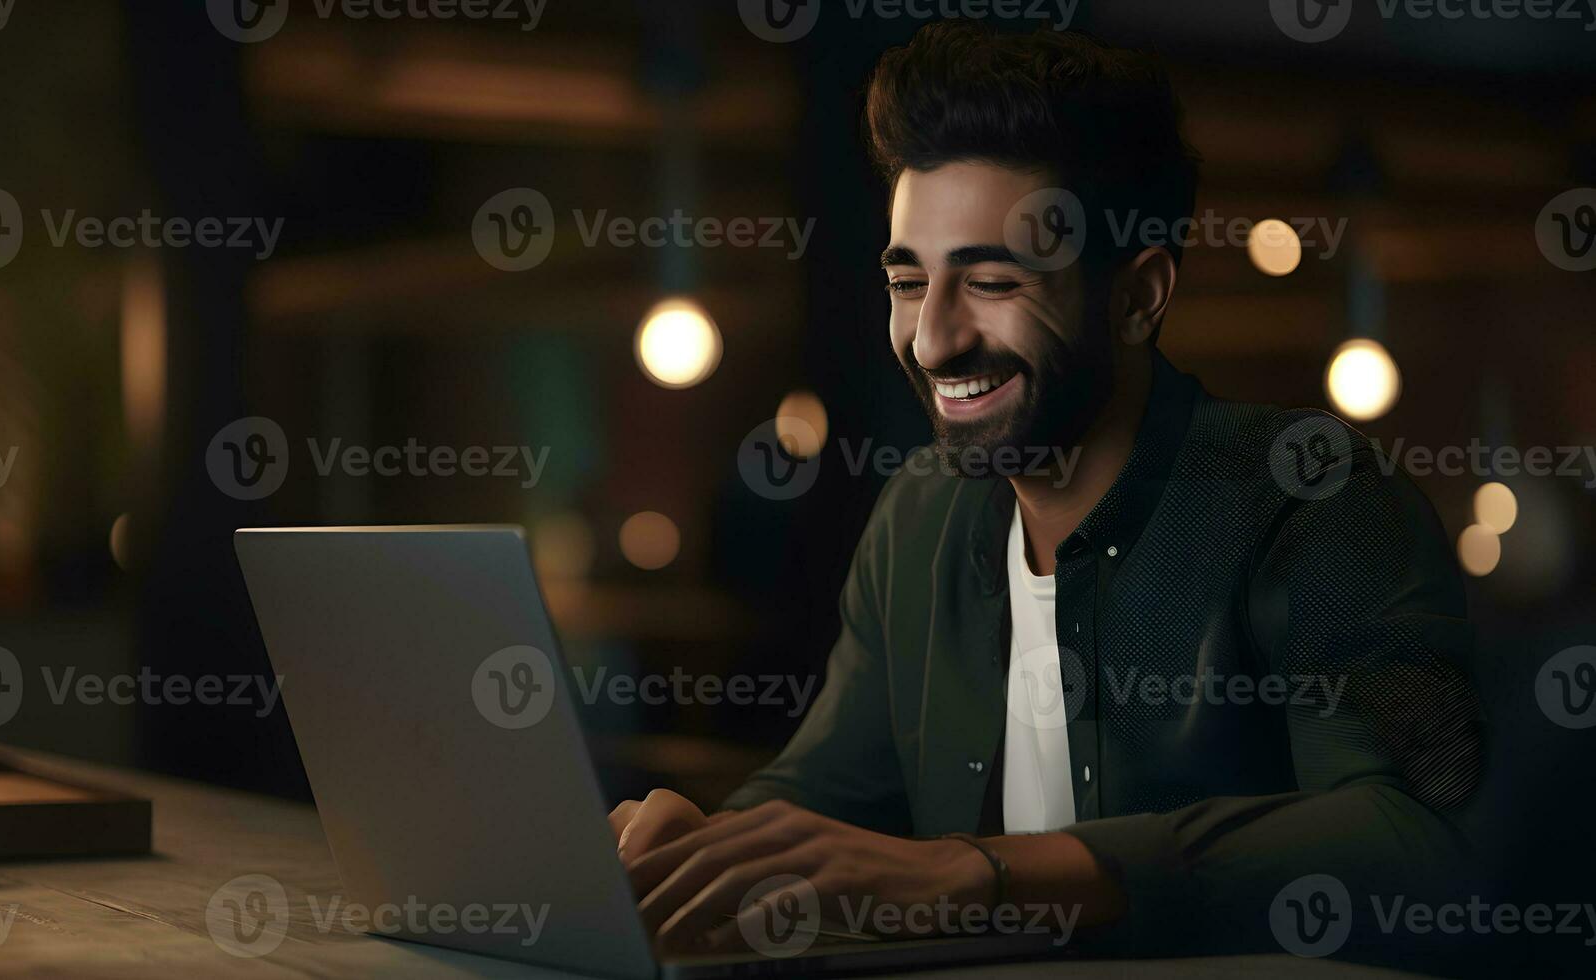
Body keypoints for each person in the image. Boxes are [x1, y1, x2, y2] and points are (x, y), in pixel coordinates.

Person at [610, 22, 1482, 958]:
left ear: (1138, 296)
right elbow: (823, 794)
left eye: (989, 281)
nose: (934, 340)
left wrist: (982, 873)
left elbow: (1415, 846)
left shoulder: (1312, 500)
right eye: (910, 282)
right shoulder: (919, 517)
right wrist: (701, 851)